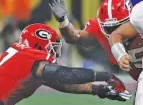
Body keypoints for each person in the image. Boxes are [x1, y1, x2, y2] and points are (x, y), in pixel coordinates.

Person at [0, 23, 131, 105]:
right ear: (38, 44)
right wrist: (104, 76)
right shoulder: (31, 56)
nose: (55, 53)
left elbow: (62, 83)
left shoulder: (21, 57)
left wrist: (97, 89)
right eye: (52, 47)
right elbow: (63, 74)